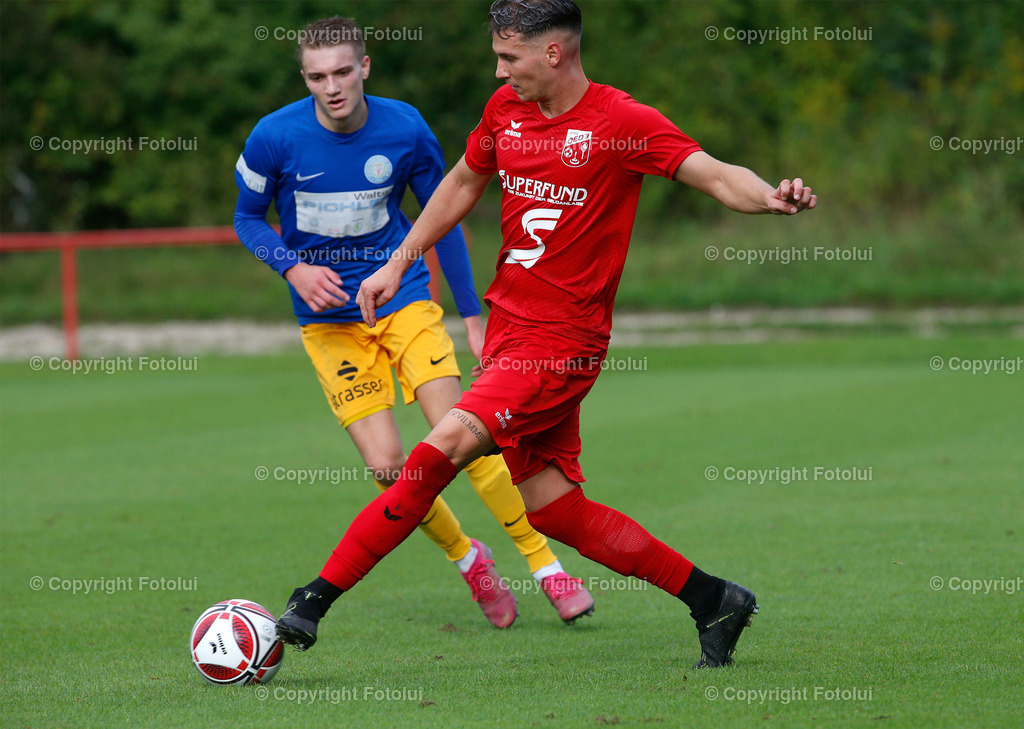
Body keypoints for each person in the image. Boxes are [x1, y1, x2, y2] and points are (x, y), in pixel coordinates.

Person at [276, 0, 817, 668]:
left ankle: (313, 599)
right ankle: (714, 599)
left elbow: (711, 172)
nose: (499, 70)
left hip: (561, 345)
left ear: (553, 53)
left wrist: (768, 196)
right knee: (555, 512)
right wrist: (398, 261)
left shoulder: (621, 122)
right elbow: (463, 181)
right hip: (510, 336)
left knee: (439, 448)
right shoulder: (505, 110)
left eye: (509, 58)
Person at [233, 15, 594, 630]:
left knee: (463, 435)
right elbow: (246, 218)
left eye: (343, 71)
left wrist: (473, 314)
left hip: (404, 302)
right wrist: (291, 268)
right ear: (305, 79)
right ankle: (468, 557)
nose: (333, 86)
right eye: (318, 76)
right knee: (386, 466)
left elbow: (445, 215)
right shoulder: (273, 137)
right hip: (331, 326)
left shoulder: (403, 127)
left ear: (365, 67)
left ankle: (546, 567)